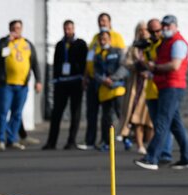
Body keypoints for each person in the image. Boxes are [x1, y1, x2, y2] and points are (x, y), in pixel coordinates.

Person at [134, 15, 188, 170]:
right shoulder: (166, 43)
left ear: (175, 26)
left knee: (162, 122)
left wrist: (154, 68)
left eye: (169, 25)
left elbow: (175, 65)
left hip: (172, 86)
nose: (166, 28)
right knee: (175, 125)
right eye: (164, 26)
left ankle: (152, 158)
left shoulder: (177, 43)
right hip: (165, 85)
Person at [0, 20, 42, 151]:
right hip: (7, 84)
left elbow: (34, 63)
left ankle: (12, 139)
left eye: (18, 28)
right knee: (3, 112)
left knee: (17, 113)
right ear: (10, 29)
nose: (16, 30)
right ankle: (0, 139)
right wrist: (7, 41)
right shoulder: (4, 42)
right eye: (14, 28)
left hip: (22, 85)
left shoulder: (27, 44)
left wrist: (38, 80)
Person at [81, 13, 126, 150]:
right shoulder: (95, 38)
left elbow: (121, 60)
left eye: (104, 21)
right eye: (100, 21)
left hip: (112, 83)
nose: (102, 23)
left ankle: (125, 138)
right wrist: (85, 76)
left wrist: (113, 78)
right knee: (93, 113)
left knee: (116, 112)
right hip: (95, 79)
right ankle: (91, 141)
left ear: (110, 22)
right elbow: (90, 59)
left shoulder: (117, 37)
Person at [43, 20, 87, 150]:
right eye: (65, 29)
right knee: (56, 112)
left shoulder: (80, 44)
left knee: (75, 112)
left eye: (69, 29)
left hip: (76, 81)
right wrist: (55, 79)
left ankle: (71, 141)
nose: (67, 31)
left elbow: (84, 62)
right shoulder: (59, 44)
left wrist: (83, 78)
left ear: (73, 29)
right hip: (61, 82)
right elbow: (56, 62)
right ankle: (51, 142)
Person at [118, 21, 155, 154]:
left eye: (145, 30)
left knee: (150, 120)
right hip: (136, 86)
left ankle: (151, 145)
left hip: (150, 87)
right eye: (140, 30)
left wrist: (149, 70)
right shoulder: (134, 48)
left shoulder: (154, 46)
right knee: (137, 118)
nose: (143, 32)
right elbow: (127, 62)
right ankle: (139, 145)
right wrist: (137, 66)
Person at [141, 19, 173, 163]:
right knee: (157, 124)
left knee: (163, 124)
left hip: (163, 89)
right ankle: (160, 153)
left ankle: (164, 153)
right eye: (151, 31)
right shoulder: (147, 46)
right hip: (151, 89)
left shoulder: (165, 45)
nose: (155, 34)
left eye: (157, 31)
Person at [93, 31, 128, 151]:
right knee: (106, 118)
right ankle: (107, 141)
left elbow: (123, 67)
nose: (103, 42)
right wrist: (103, 80)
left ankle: (126, 138)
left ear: (110, 40)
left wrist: (112, 78)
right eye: (101, 40)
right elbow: (96, 73)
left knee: (121, 114)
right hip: (105, 90)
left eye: (105, 39)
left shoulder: (117, 52)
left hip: (117, 89)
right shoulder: (97, 55)